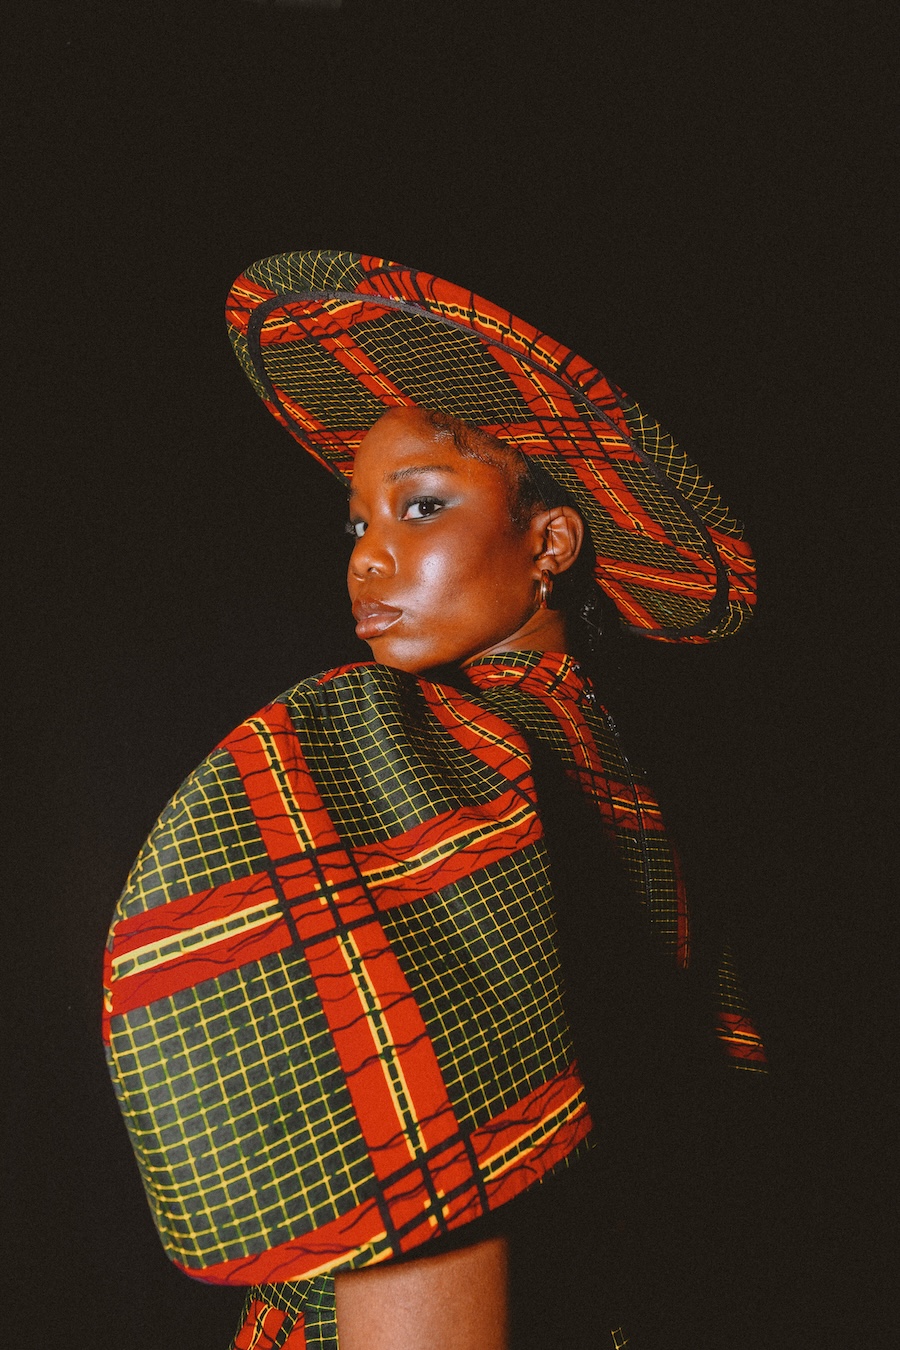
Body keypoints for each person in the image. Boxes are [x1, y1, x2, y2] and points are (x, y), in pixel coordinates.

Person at [104, 251, 766, 1349]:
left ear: (551, 542)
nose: (369, 559)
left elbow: (416, 1187)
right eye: (357, 523)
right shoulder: (611, 761)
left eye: (420, 507)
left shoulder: (417, 757)